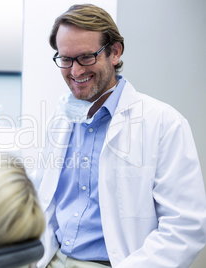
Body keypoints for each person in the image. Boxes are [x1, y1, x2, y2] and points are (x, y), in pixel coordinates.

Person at [32, 4, 206, 268]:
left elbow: (185, 227)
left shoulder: (163, 123)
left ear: (114, 52)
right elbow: (44, 196)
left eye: (86, 57)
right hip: (51, 259)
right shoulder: (61, 118)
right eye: (65, 59)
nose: (75, 71)